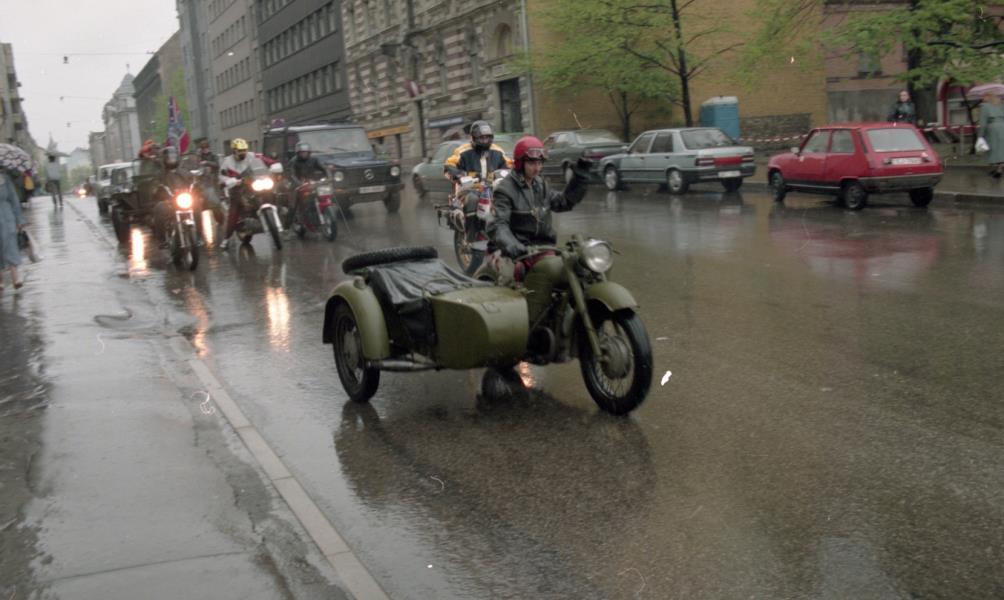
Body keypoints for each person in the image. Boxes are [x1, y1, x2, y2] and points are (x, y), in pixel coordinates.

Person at [488, 136, 591, 260]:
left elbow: (563, 202)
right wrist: (512, 245)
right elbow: (498, 224)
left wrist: (580, 178)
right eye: (532, 163)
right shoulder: (505, 189)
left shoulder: (540, 185)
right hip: (519, 253)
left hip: (544, 248)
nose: (537, 168)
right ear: (520, 163)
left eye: (539, 163)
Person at [218, 138, 267, 249]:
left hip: (251, 185)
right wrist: (227, 181)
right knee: (234, 213)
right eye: (240, 150)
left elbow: (264, 160)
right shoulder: (227, 162)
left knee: (270, 191)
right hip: (237, 189)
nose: (243, 152)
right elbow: (221, 176)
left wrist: (274, 164)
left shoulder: (252, 156)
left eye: (244, 150)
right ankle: (226, 239)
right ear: (234, 151)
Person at [444, 121, 513, 182]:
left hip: (493, 188)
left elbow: (510, 165)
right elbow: (449, 165)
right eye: (481, 138)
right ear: (473, 138)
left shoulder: (498, 151)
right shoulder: (463, 151)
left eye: (487, 137)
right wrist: (460, 175)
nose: (485, 141)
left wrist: (504, 174)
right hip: (468, 188)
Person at [0, 168, 26, 290]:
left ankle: (15, 278)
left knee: (11, 244)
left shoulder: (5, 179)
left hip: (7, 216)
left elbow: (14, 200)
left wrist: (19, 220)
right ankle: (1, 281)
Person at [979, 92, 1004, 178]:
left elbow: (983, 123)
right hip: (1002, 127)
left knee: (993, 150)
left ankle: (998, 171)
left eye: (984, 96)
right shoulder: (1001, 105)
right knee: (1000, 150)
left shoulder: (984, 106)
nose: (982, 98)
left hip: (992, 129)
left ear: (988, 96)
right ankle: (998, 169)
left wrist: (980, 135)